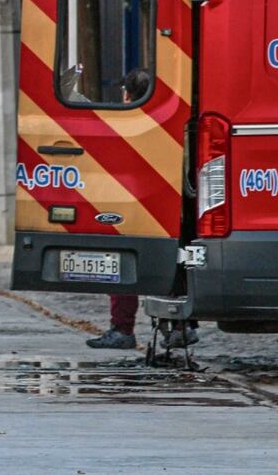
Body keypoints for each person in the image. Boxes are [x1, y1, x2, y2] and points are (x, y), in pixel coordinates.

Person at [86, 68, 199, 350]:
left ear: (128, 96)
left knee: (123, 266)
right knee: (174, 265)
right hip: (178, 206)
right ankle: (178, 327)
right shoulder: (177, 123)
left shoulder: (129, 125)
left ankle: (122, 328)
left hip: (135, 204)